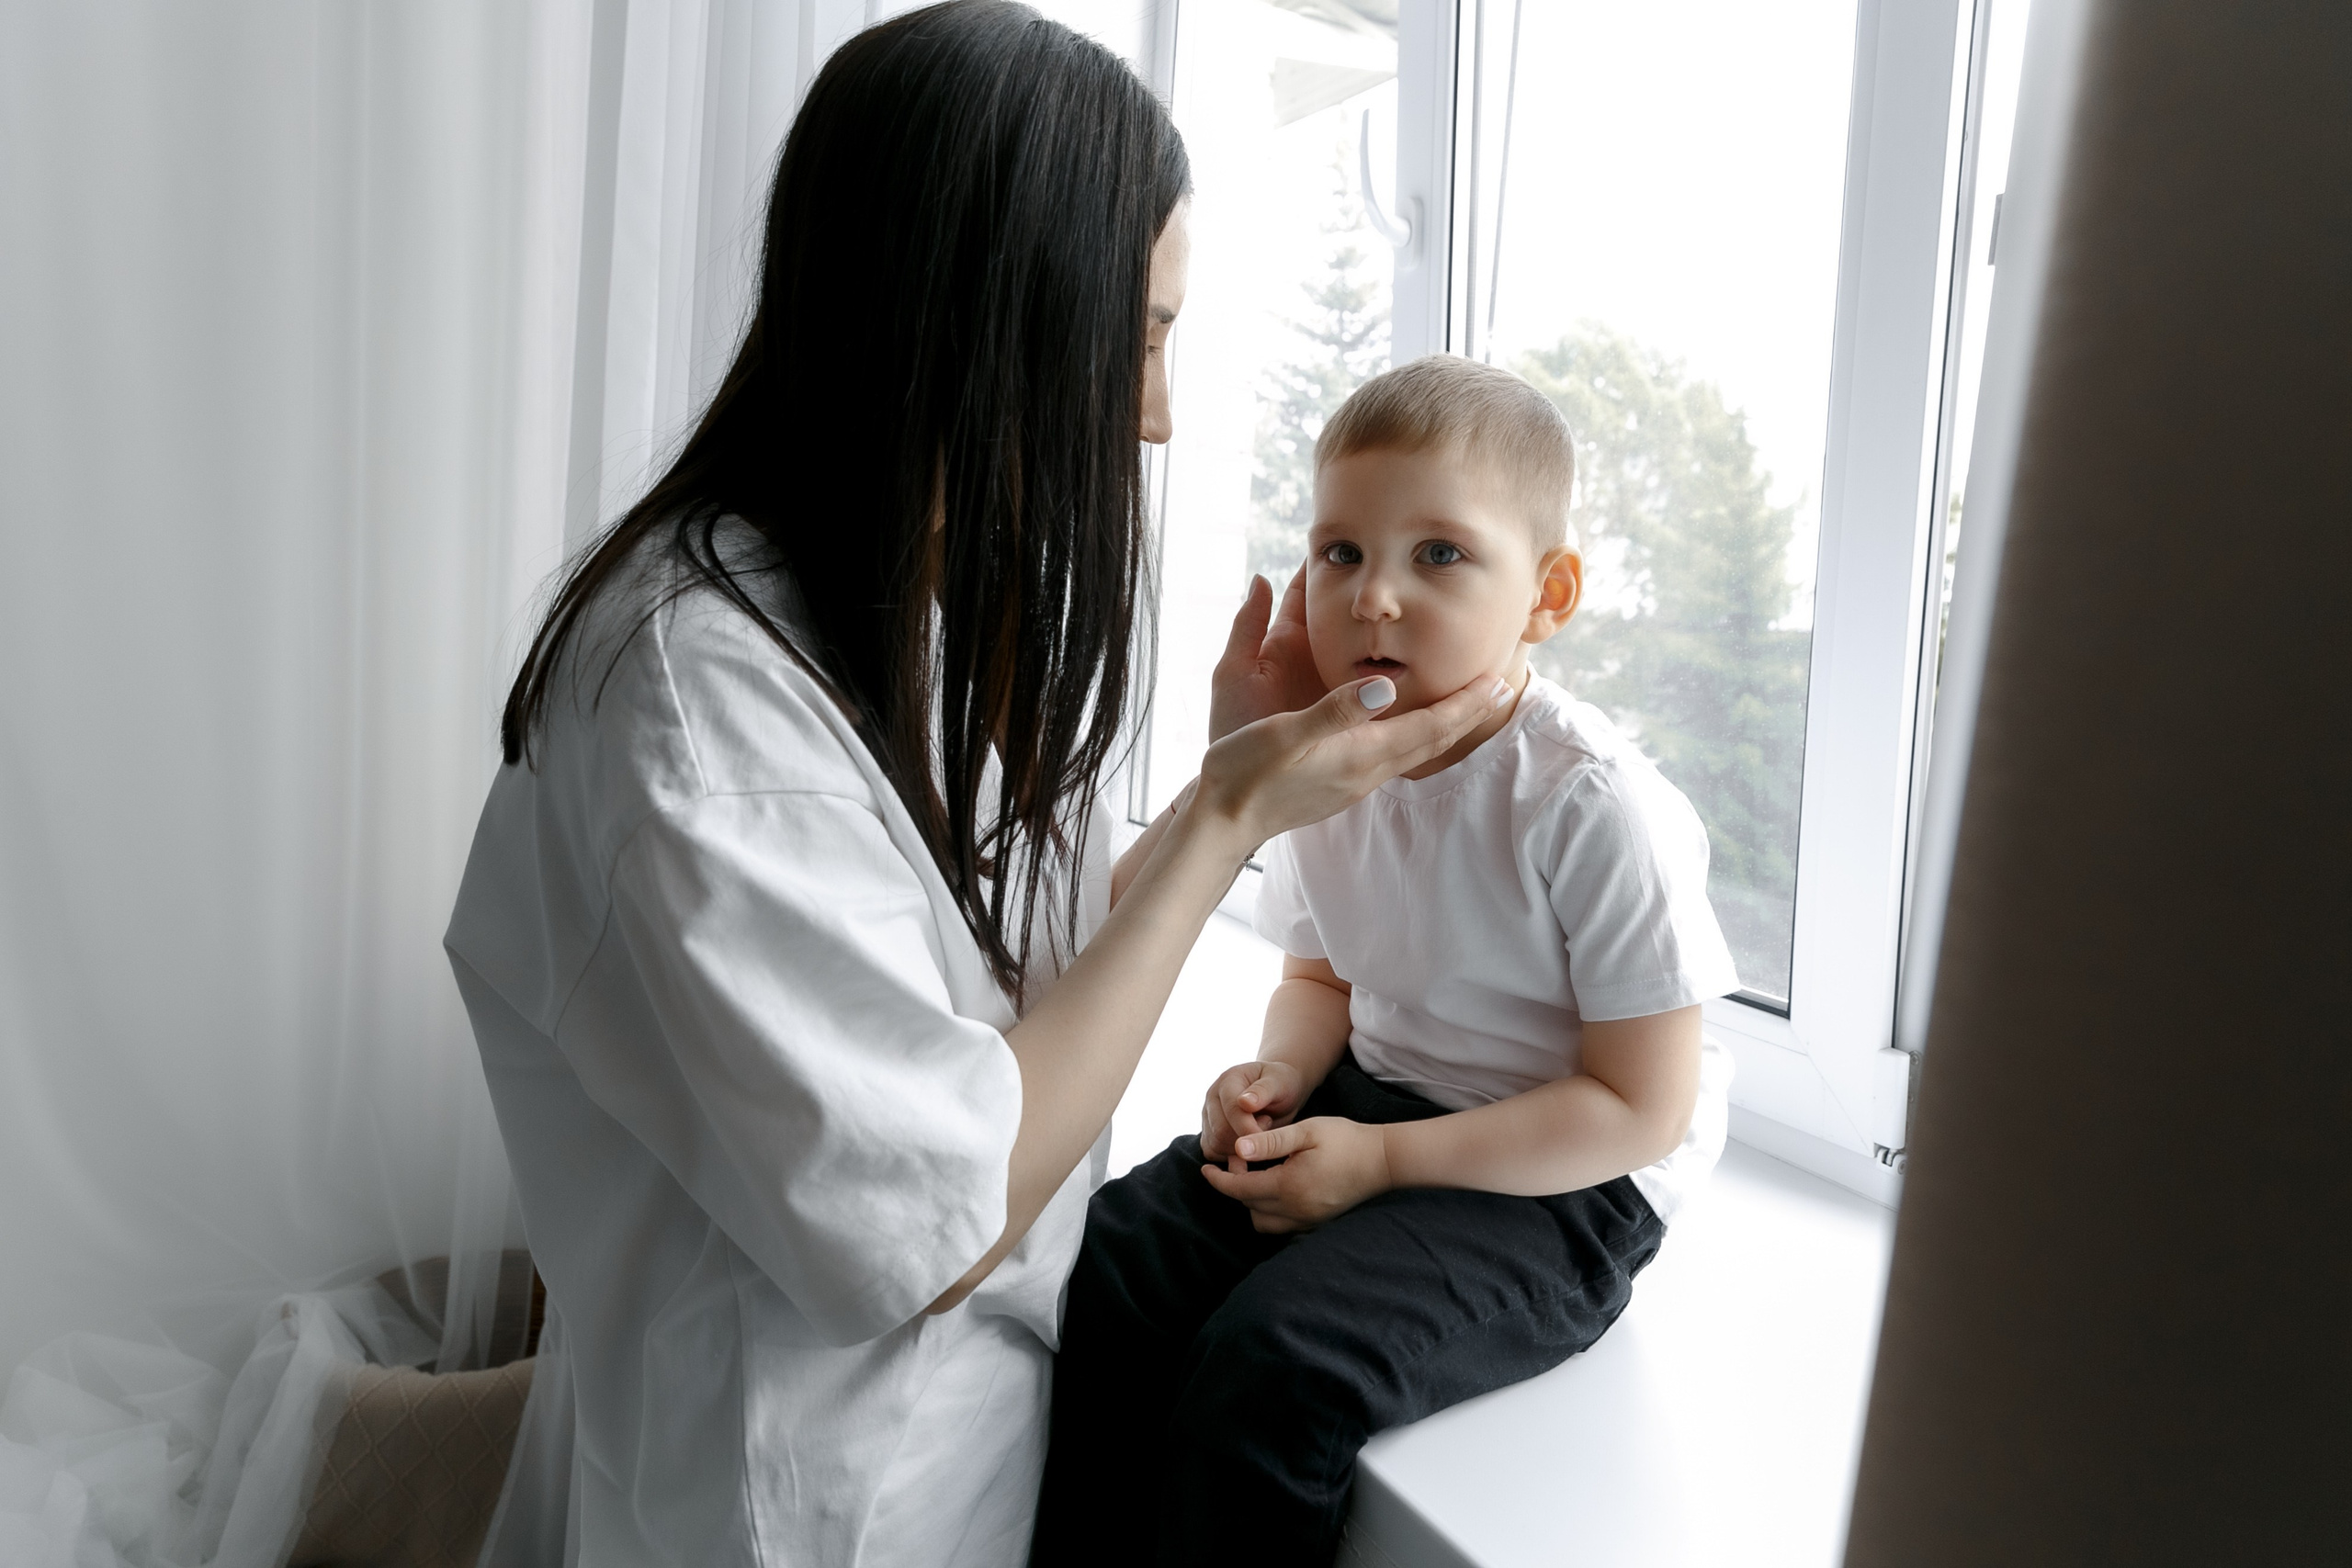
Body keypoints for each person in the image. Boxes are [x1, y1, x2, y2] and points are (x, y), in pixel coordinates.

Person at [440, 9, 1514, 1567]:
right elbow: (926, 1217)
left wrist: (1233, 786)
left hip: (962, 1456)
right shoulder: (693, 709)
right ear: (991, 320)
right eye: (1140, 336)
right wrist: (1228, 823)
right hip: (802, 1506)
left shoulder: (897, 614)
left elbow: (1004, 993)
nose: (1154, 417)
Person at [1031, 355, 1743, 1565]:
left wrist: (1380, 1164)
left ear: (1548, 593)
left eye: (1441, 555)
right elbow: (1322, 982)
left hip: (1564, 1175)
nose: (1374, 599)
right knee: (1121, 1260)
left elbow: (1640, 1104)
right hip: (1380, 1102)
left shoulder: (1590, 803)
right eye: (1341, 553)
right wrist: (1282, 1077)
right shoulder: (1325, 765)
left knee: (1280, 1364)